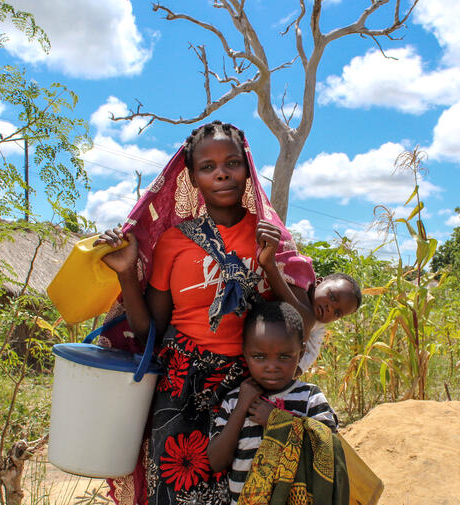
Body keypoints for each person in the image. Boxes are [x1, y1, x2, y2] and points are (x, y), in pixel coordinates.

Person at [94, 121, 315, 505]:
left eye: (232, 163)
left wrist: (270, 264)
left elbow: (301, 325)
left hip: (249, 384)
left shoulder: (269, 237)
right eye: (208, 167)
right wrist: (128, 272)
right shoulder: (173, 243)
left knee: (253, 490)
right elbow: (151, 334)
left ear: (247, 168)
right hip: (181, 386)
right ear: (192, 178)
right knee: (174, 490)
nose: (222, 173)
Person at [207, 301, 338, 505]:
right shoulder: (234, 401)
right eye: (259, 357)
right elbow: (216, 461)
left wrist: (277, 421)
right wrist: (242, 407)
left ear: (301, 353)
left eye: (284, 357)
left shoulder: (310, 398)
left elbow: (328, 452)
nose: (271, 367)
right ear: (245, 353)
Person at [255, 220, 363, 374]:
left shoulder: (317, 327)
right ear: (318, 282)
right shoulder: (301, 276)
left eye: (337, 313)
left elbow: (308, 357)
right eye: (332, 296)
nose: (330, 308)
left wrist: (291, 374)